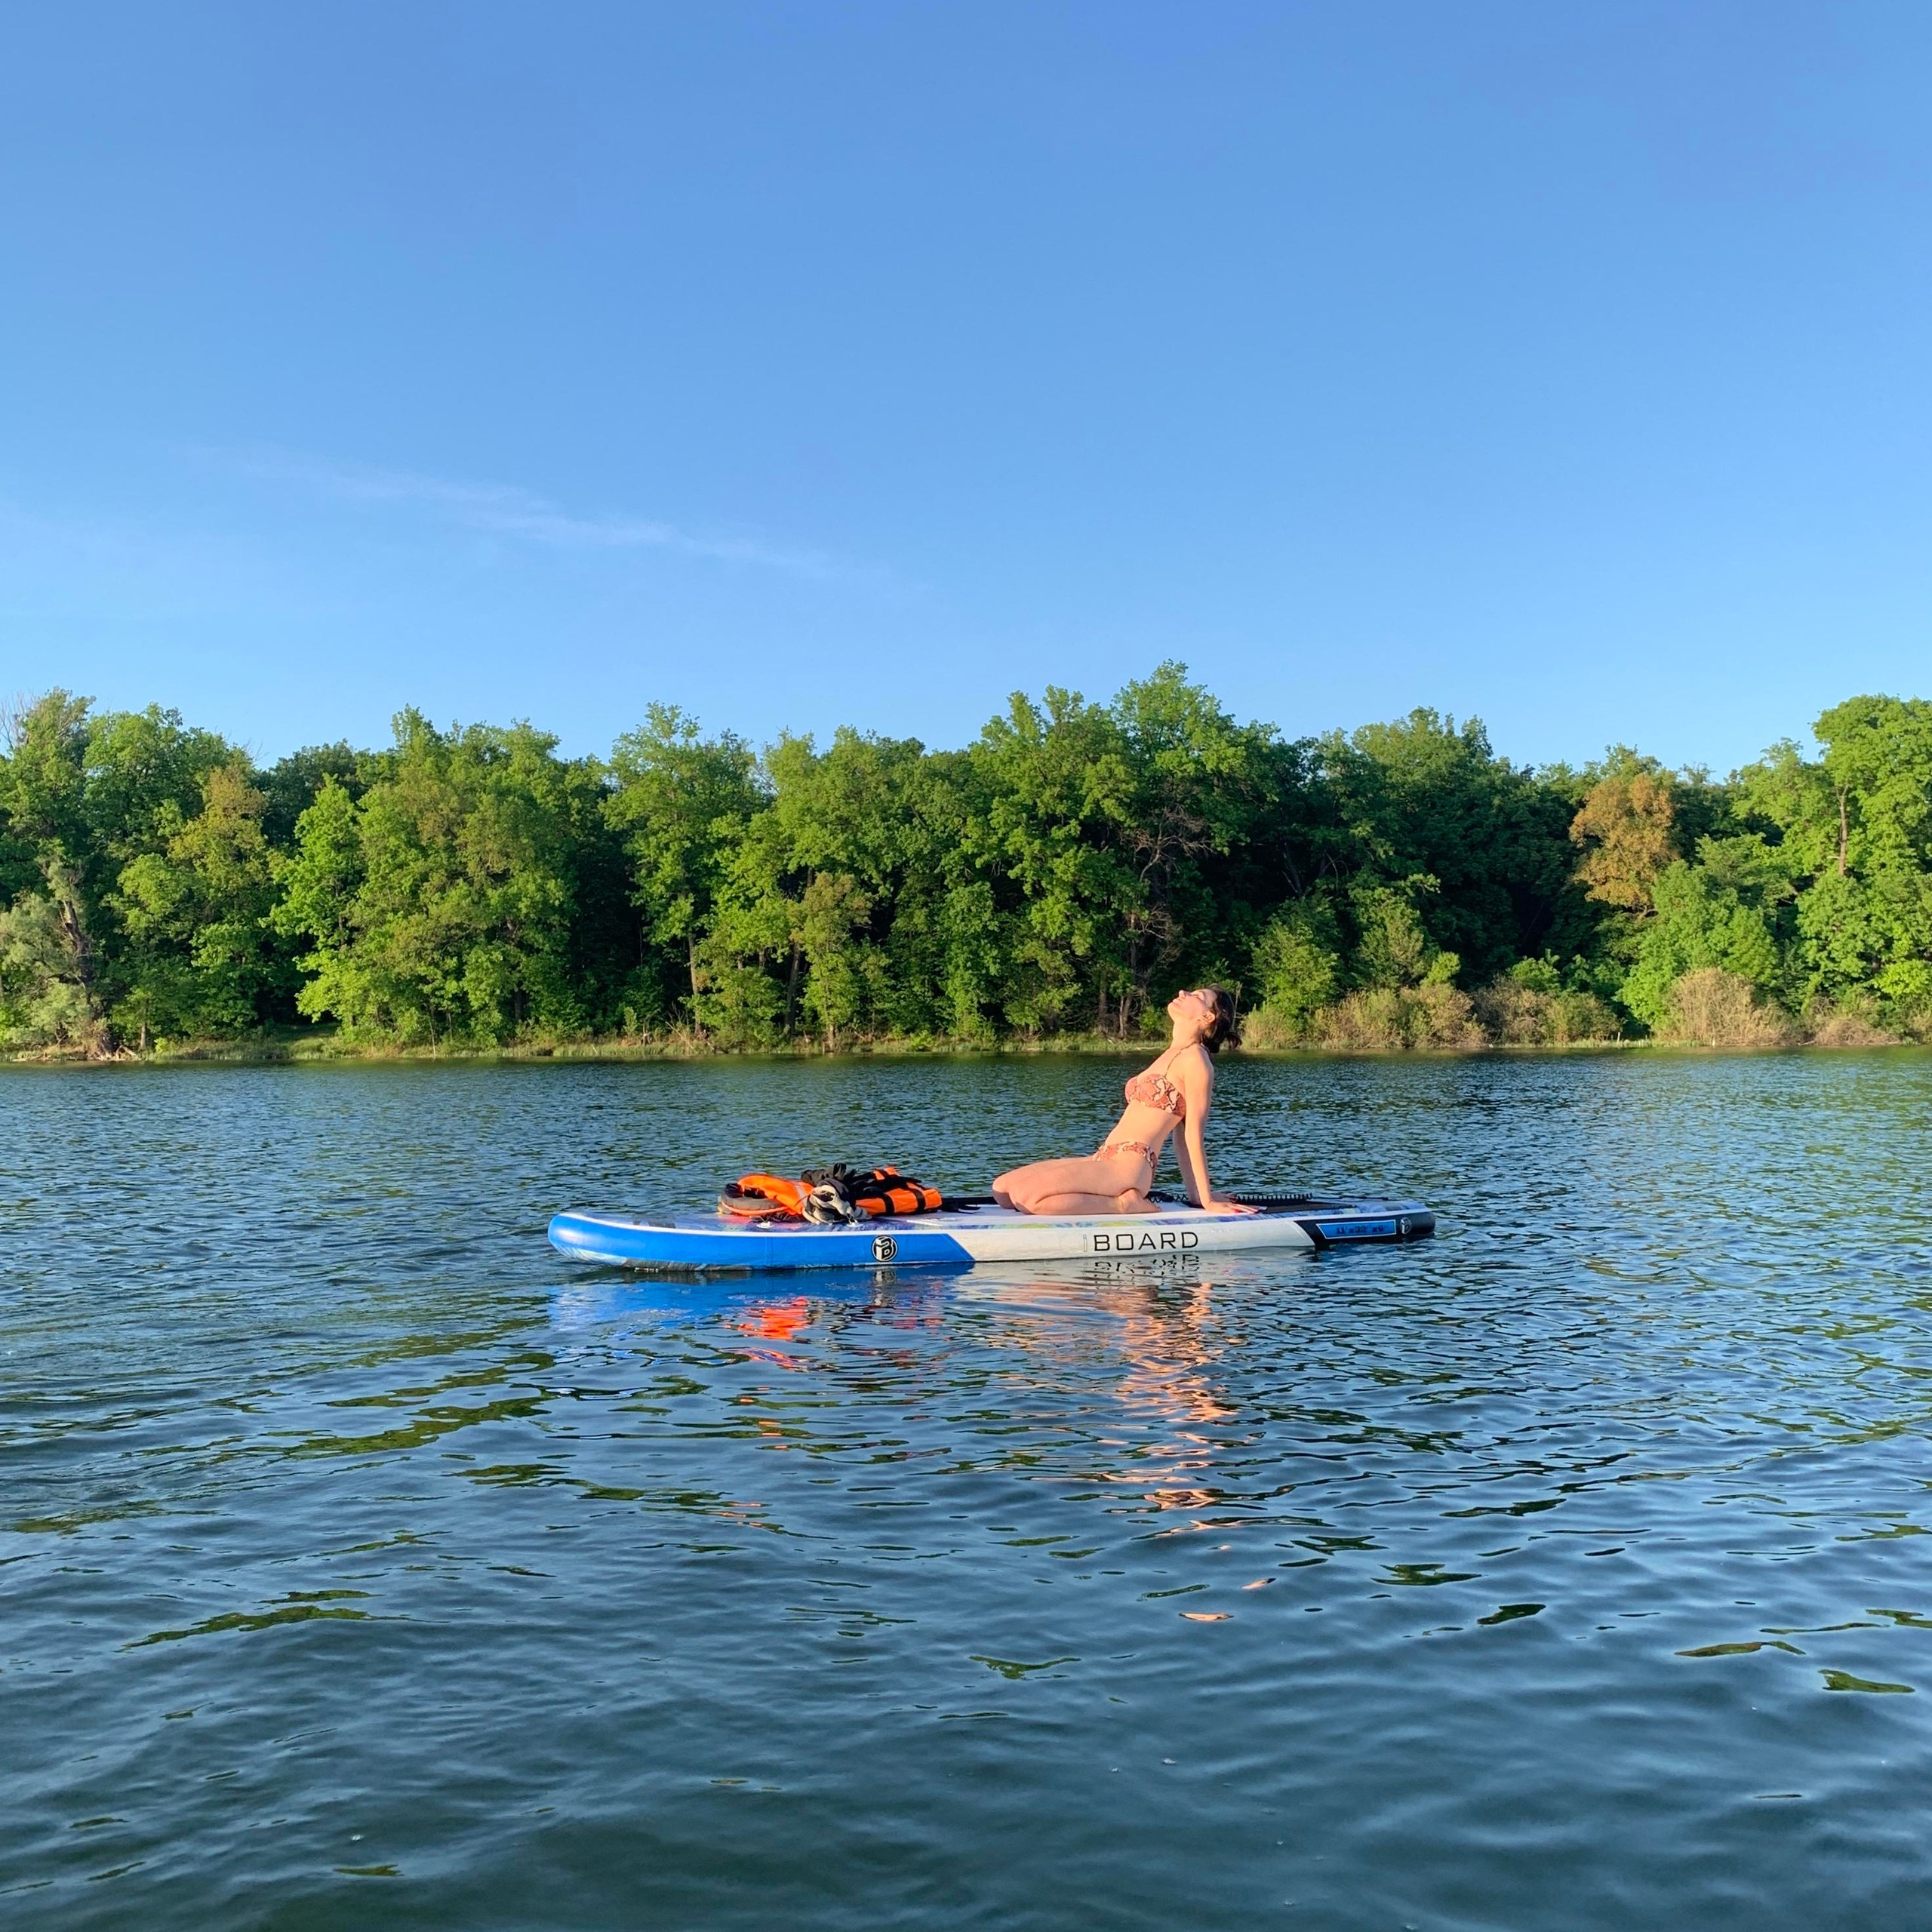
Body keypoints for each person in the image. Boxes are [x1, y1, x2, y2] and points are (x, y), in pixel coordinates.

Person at [992, 986, 1255, 1216]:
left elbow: (1190, 1137)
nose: (1182, 994)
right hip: (1104, 1157)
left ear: (1207, 1017)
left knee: (1029, 1198)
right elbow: (1180, 1139)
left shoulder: (1197, 1061)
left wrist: (1205, 1199)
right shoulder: (1170, 1054)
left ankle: (1123, 1204)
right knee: (1003, 1191)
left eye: (1197, 996)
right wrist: (1197, 1196)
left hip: (1130, 1166)